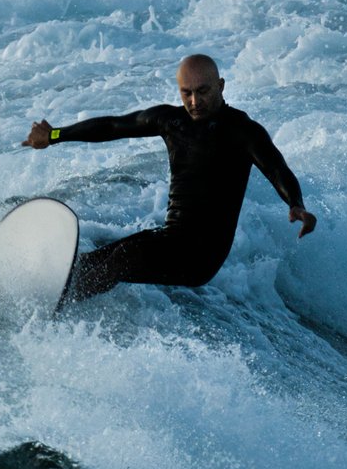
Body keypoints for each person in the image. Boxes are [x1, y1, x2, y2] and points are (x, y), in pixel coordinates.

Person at [22, 54, 316, 302]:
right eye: (186, 93)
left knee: (122, 258)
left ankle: (61, 307)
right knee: (98, 259)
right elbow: (113, 126)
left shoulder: (243, 131)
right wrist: (54, 135)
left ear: (221, 86)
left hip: (201, 257)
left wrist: (295, 202)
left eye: (203, 91)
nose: (194, 101)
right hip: (171, 240)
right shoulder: (171, 121)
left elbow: (277, 168)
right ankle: (53, 293)